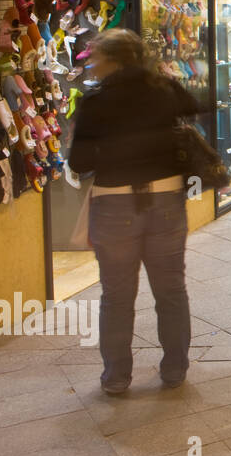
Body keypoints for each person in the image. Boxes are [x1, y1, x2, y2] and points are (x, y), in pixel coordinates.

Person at [68, 28, 199, 394]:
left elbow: (79, 162)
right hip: (166, 199)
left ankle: (116, 377)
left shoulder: (95, 102)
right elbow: (193, 105)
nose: (92, 64)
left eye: (97, 57)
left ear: (112, 61)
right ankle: (174, 369)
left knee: (117, 295)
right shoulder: (163, 90)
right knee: (171, 289)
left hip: (114, 203)